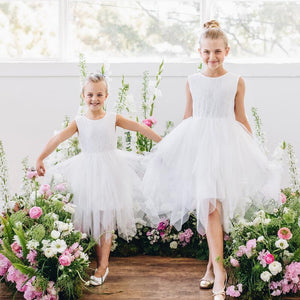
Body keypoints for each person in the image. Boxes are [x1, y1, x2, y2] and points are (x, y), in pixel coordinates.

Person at [142, 20, 281, 300]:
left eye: (217, 51)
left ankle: (212, 269)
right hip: (199, 147)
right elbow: (187, 117)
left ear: (227, 51)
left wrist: (255, 153)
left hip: (227, 147)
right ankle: (219, 272)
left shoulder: (236, 81)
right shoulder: (192, 81)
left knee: (216, 208)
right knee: (209, 208)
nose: (212, 57)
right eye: (206, 52)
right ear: (199, 51)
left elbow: (241, 118)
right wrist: (171, 150)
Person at [36, 73, 161, 286]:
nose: (94, 98)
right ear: (83, 95)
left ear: (106, 96)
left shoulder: (113, 118)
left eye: (99, 94)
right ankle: (96, 261)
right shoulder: (80, 122)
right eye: (90, 94)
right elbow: (58, 138)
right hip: (87, 172)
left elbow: (139, 127)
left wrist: (162, 143)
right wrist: (40, 157)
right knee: (91, 216)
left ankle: (103, 264)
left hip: (110, 170)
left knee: (105, 218)